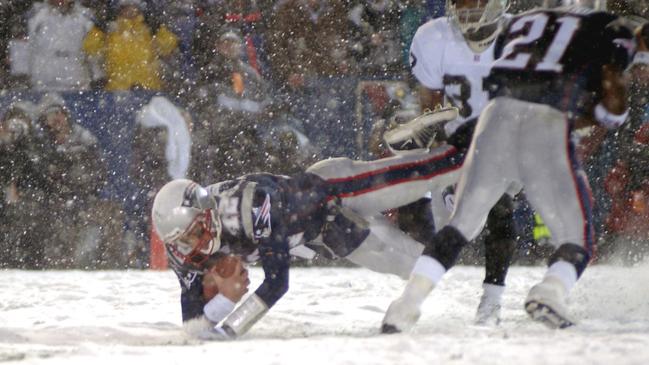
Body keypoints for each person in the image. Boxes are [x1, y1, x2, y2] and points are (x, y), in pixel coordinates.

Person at [381, 0, 640, 332]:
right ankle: (550, 291)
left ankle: (406, 304)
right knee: (579, 236)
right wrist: (595, 113)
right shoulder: (610, 28)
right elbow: (613, 111)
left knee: (460, 225)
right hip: (546, 120)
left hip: (493, 118)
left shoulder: (524, 22)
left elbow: (514, 70)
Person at [151, 111, 464, 340]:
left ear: (206, 212)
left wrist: (232, 327)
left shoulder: (249, 206)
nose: (191, 245)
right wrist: (222, 304)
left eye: (194, 232)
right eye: (182, 240)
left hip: (333, 188)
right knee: (422, 266)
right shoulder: (182, 245)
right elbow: (193, 323)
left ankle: (466, 143)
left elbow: (277, 284)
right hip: (330, 233)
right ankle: (424, 175)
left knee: (430, 173)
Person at [385, 0, 516, 325]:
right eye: (460, 1)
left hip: (507, 136)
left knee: (500, 206)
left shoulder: (519, 34)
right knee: (451, 225)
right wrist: (434, 142)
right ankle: (413, 268)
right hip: (457, 140)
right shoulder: (434, 37)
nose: (464, 7)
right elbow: (431, 105)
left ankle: (491, 298)